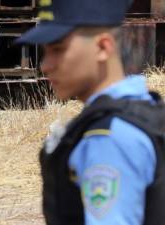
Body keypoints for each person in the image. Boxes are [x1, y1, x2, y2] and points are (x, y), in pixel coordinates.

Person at [15, 0, 165, 225]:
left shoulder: (110, 137)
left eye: (58, 49)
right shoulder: (146, 112)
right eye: (45, 52)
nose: (45, 65)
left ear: (103, 47)